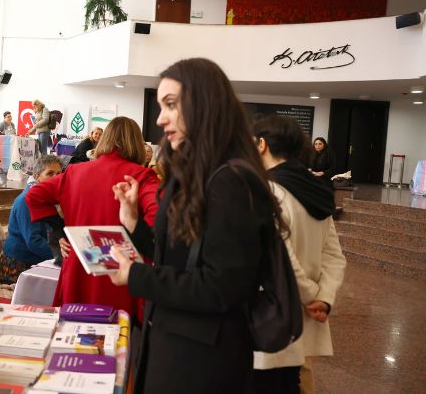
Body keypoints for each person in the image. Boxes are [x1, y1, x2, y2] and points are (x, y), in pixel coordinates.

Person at [107, 58, 288, 393]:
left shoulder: (231, 180)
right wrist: (132, 220)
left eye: (171, 105)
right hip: (175, 346)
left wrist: (136, 275)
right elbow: (175, 258)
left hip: (202, 362)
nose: (160, 118)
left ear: (204, 104)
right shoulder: (192, 173)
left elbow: (222, 287)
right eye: (161, 106)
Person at [25, 116, 159, 320]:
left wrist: (63, 230)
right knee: (119, 342)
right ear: (137, 143)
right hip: (121, 271)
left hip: (80, 265)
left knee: (73, 339)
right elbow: (158, 217)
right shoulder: (142, 176)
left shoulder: (75, 172)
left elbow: (34, 195)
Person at [252, 116, 346, 394]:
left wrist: (308, 296)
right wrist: (323, 297)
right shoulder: (315, 191)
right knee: (293, 381)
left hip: (273, 312)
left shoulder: (267, 191)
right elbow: (334, 255)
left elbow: (279, 257)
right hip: (307, 314)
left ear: (261, 144)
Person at [0, 155, 64, 284]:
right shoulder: (26, 201)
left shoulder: (47, 198)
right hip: (18, 264)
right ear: (37, 176)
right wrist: (61, 253)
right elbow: (34, 241)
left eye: (59, 173)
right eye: (50, 173)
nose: (56, 177)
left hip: (35, 257)